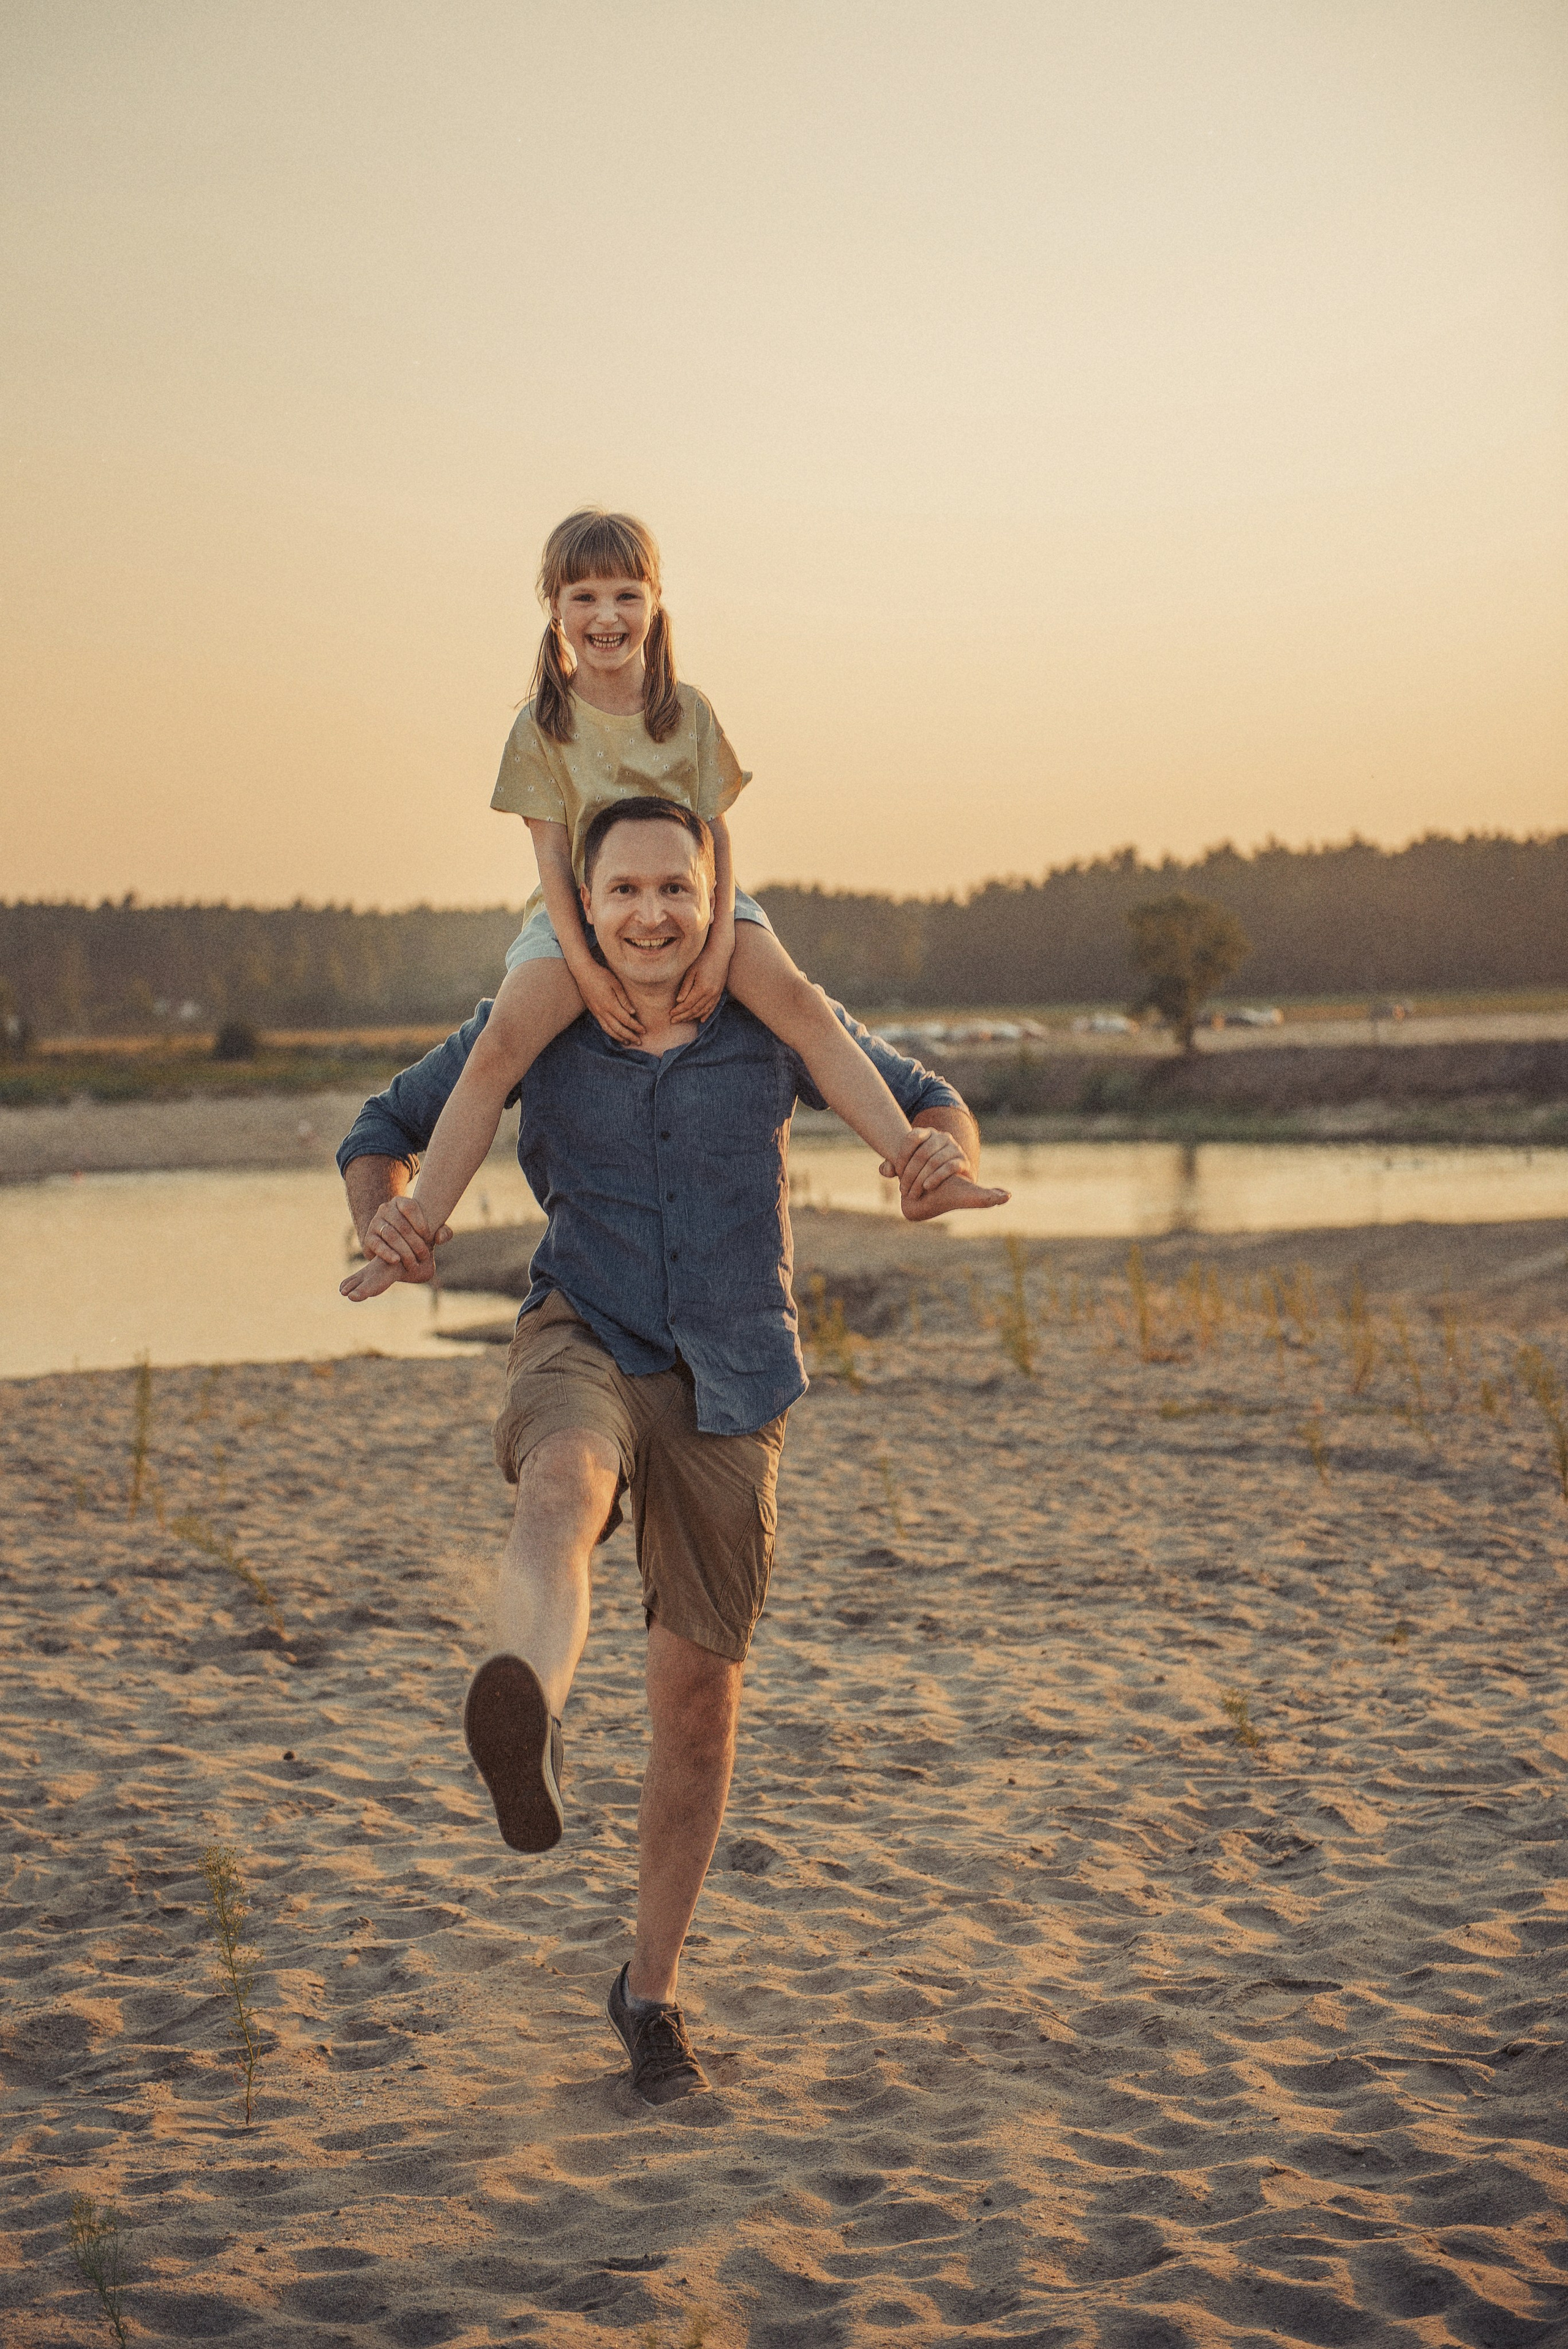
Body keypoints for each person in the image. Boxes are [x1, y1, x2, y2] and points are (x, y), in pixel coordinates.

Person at [336, 798, 1006, 2105]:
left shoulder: (774, 1016)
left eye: (674, 890)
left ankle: (648, 1994)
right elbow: (381, 1127)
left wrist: (940, 1161)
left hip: (734, 1372)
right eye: (622, 891)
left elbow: (929, 1102)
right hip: (581, 1327)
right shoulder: (532, 1017)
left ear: (715, 901)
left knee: (696, 1700)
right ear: (579, 908)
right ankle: (522, 1700)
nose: (649, 914)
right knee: (562, 1482)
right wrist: (386, 1226)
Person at [374, 508, 942, 1263]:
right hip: (578, 912)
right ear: (555, 610)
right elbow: (551, 866)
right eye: (584, 597)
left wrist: (720, 949)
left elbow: (721, 839)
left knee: (801, 1003)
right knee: (501, 1043)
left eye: (625, 595)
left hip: (701, 902)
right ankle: (416, 1231)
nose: (606, 616)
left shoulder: (689, 712)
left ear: (655, 602)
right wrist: (584, 970)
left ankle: (917, 1163)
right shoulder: (541, 727)